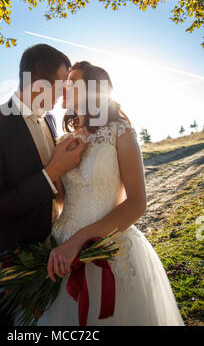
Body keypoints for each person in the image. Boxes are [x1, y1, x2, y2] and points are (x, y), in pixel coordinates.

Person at [35, 60, 184, 326]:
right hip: (61, 252)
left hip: (108, 248)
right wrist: (55, 167)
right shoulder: (62, 140)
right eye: (65, 83)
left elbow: (137, 204)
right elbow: (61, 200)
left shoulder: (120, 131)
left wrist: (79, 240)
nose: (65, 87)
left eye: (73, 82)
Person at [0, 44, 87, 326]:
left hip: (51, 258)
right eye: (59, 88)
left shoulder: (48, 118)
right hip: (12, 268)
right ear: (38, 84)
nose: (62, 97)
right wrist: (51, 172)